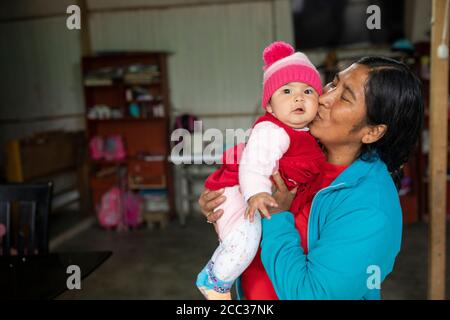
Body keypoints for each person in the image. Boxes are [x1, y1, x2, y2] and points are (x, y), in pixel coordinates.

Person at [198, 56, 424, 299]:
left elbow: (313, 294)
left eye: (344, 97)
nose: (324, 97)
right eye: (333, 83)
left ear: (372, 131)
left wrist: (277, 217)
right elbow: (247, 168)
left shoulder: (372, 208)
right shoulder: (296, 146)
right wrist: (223, 198)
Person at [196, 41, 345, 300]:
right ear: (270, 107)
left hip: (259, 199)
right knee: (246, 238)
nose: (299, 97)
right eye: (286, 91)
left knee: (244, 241)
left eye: (308, 91)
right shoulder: (271, 130)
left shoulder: (306, 135)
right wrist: (256, 194)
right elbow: (254, 163)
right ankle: (215, 280)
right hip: (243, 190)